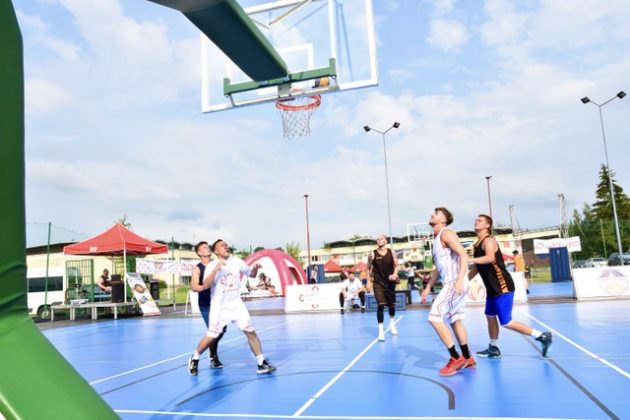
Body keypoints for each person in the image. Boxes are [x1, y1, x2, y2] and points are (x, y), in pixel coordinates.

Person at [187, 239, 276, 376]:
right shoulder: (212, 265)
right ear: (216, 251)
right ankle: (195, 357)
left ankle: (261, 363)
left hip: (236, 304)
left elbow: (250, 274)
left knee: (250, 331)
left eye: (226, 245)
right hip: (219, 307)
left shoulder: (237, 261)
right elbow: (205, 285)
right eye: (222, 246)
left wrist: (255, 270)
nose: (226, 247)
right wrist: (215, 270)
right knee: (212, 335)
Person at [469, 214, 552, 358]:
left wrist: (468, 259)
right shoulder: (477, 243)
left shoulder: (488, 241)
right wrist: (465, 281)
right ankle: (493, 348)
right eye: (476, 219)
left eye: (480, 220)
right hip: (492, 288)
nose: (477, 221)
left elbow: (489, 258)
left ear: (487, 225)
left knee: (506, 322)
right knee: (489, 315)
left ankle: (542, 336)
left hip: (502, 286)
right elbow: (477, 266)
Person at [421, 207, 475, 376]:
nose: (432, 214)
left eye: (436, 213)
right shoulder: (437, 239)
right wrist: (429, 286)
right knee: (455, 320)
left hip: (454, 282)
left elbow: (463, 255)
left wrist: (459, 280)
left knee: (434, 316)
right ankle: (467, 358)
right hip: (453, 281)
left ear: (443, 219)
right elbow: (439, 268)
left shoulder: (446, 233)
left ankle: (455, 358)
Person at [190, 241, 225, 369]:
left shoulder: (216, 265)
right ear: (199, 253)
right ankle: (213, 357)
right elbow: (194, 287)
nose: (207, 248)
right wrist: (205, 286)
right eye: (204, 247)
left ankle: (212, 353)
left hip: (219, 303)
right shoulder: (198, 269)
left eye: (208, 247)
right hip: (206, 304)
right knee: (214, 330)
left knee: (221, 330)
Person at [367, 234, 399, 341]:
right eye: (377, 239)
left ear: (385, 241)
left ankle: (392, 324)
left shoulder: (392, 252)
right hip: (378, 283)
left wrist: (395, 274)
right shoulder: (372, 254)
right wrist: (368, 281)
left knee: (391, 305)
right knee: (380, 305)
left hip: (390, 283)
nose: (379, 240)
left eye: (381, 239)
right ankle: (381, 331)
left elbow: (397, 265)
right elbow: (368, 268)